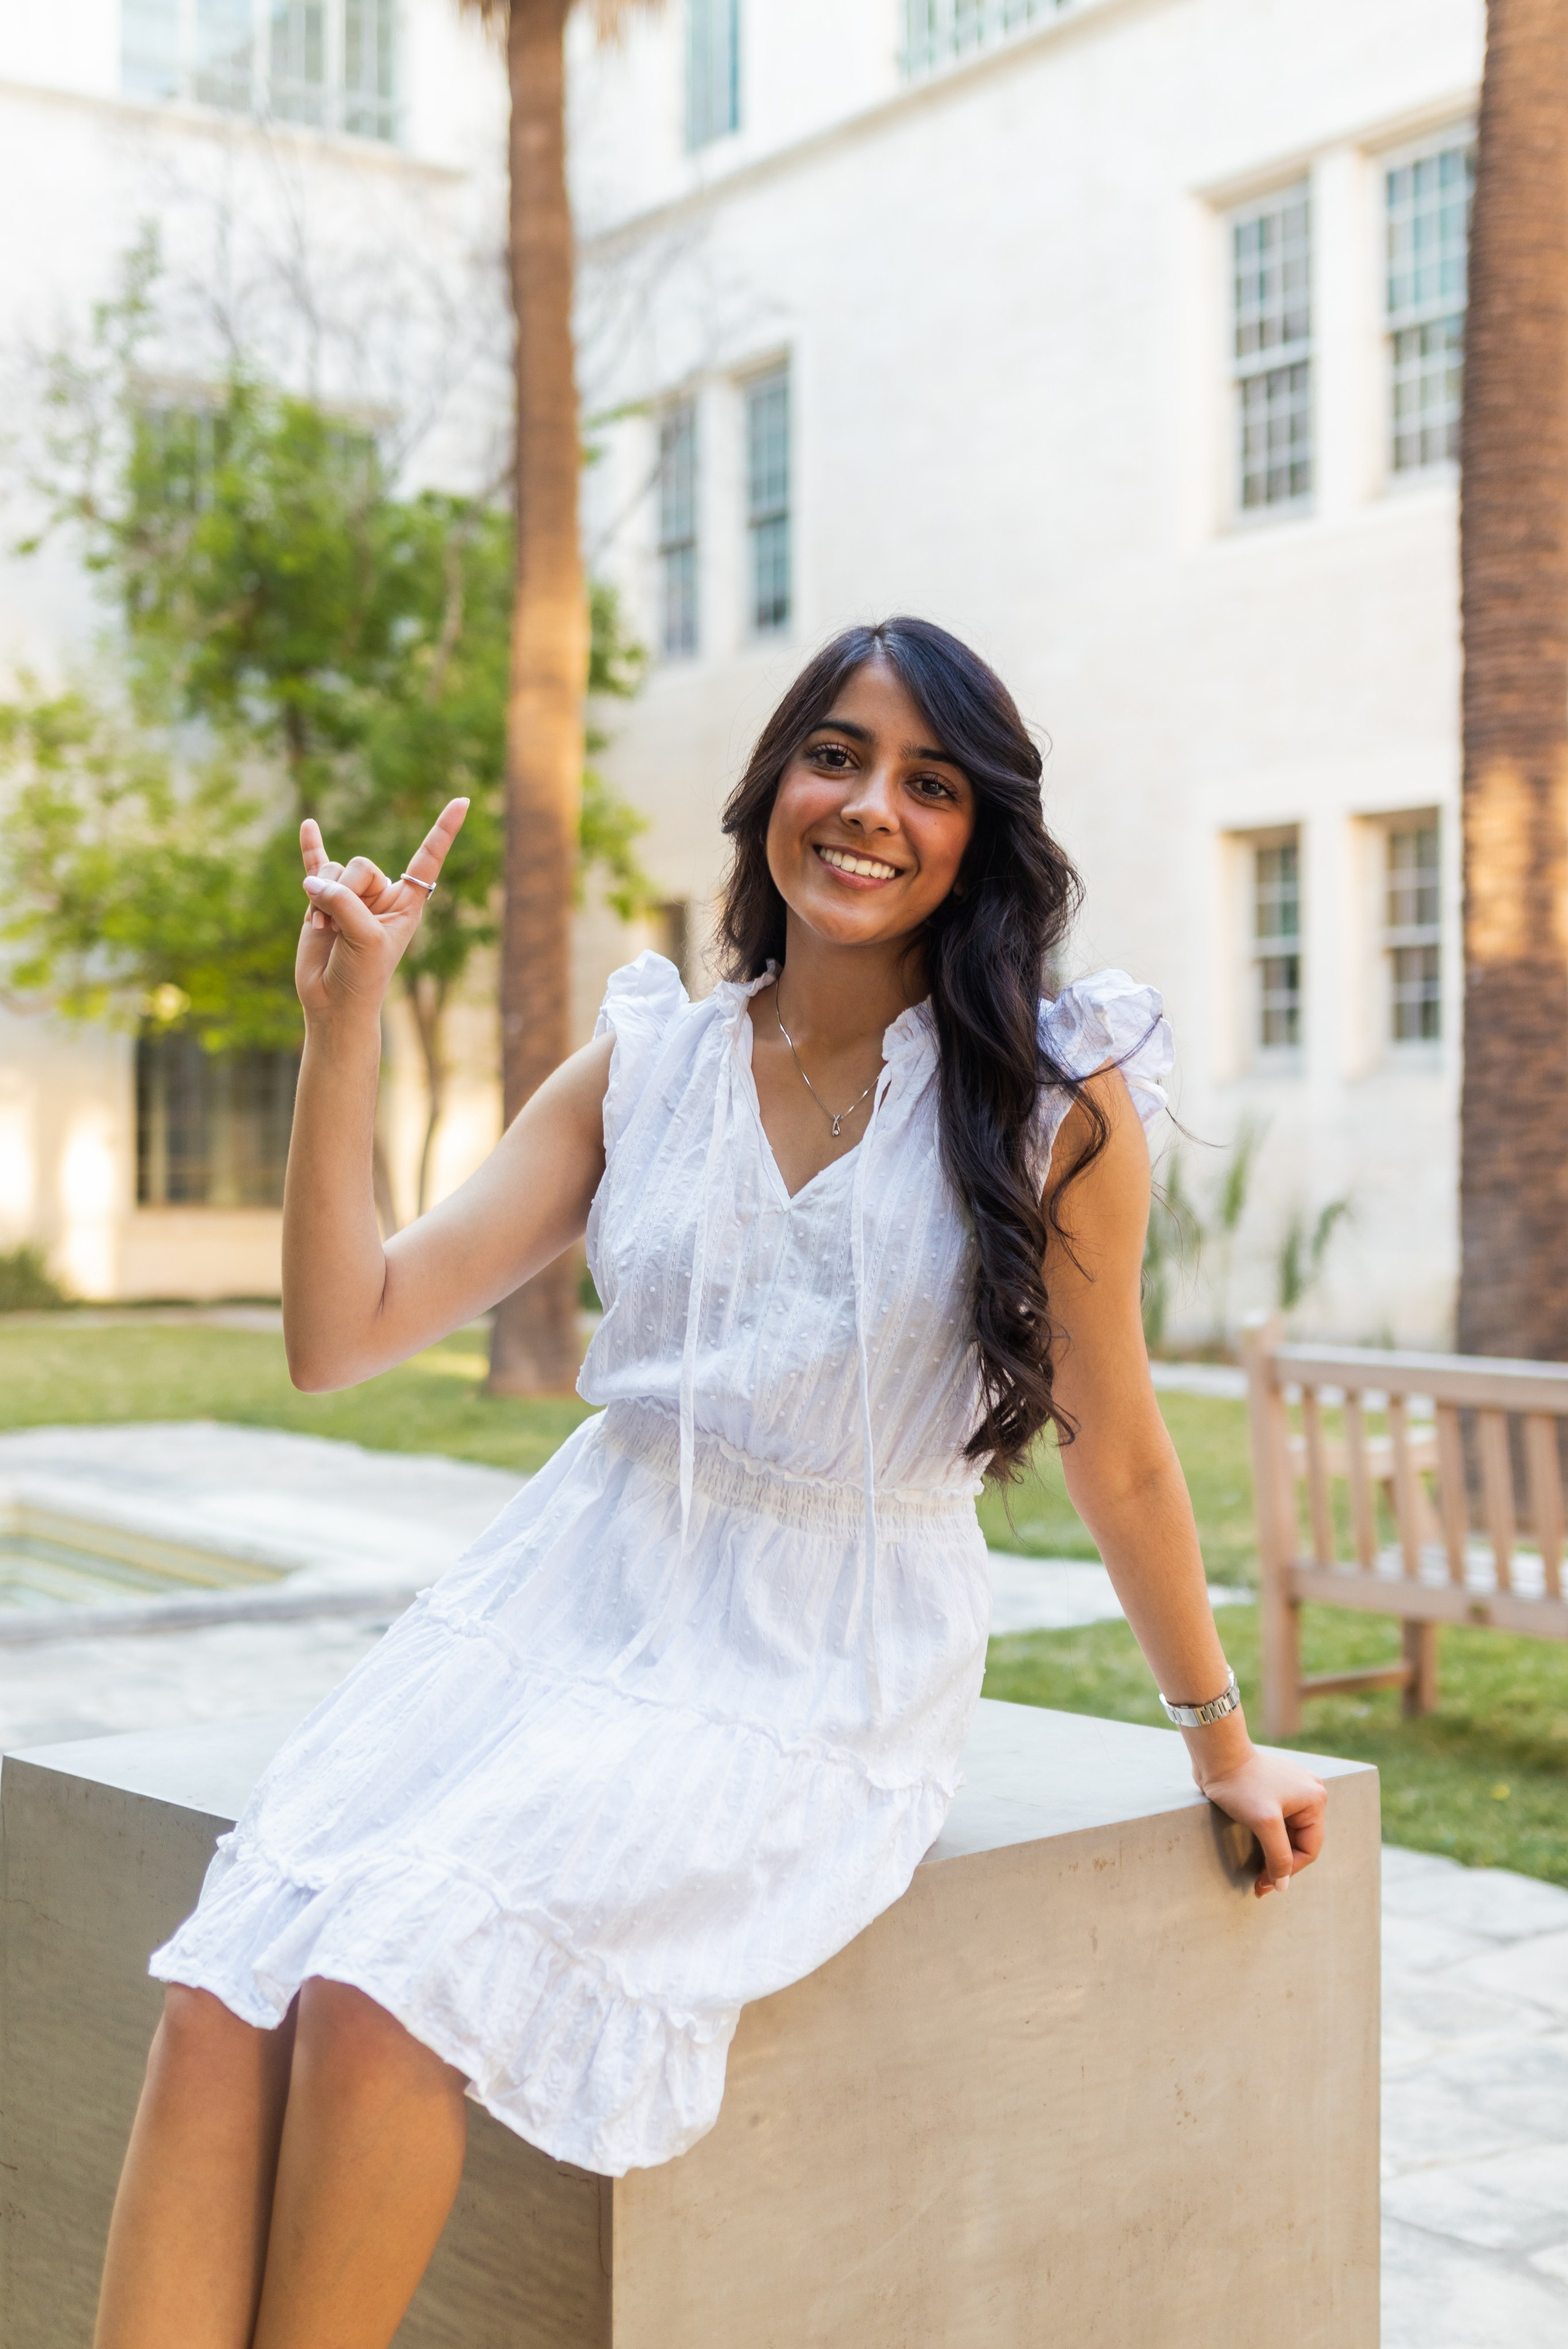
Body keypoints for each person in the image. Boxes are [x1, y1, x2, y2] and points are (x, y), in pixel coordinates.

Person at [92, 617, 1327, 2349]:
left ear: (983, 835)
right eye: (835, 755)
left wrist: (1220, 1738)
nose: (871, 808)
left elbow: (1119, 1444)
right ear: (772, 785)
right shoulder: (652, 1061)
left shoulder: (1055, 1102)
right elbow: (341, 1332)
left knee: (385, 1982)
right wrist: (346, 1021)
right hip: (568, 1598)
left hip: (816, 1657)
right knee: (232, 1975)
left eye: (932, 781)